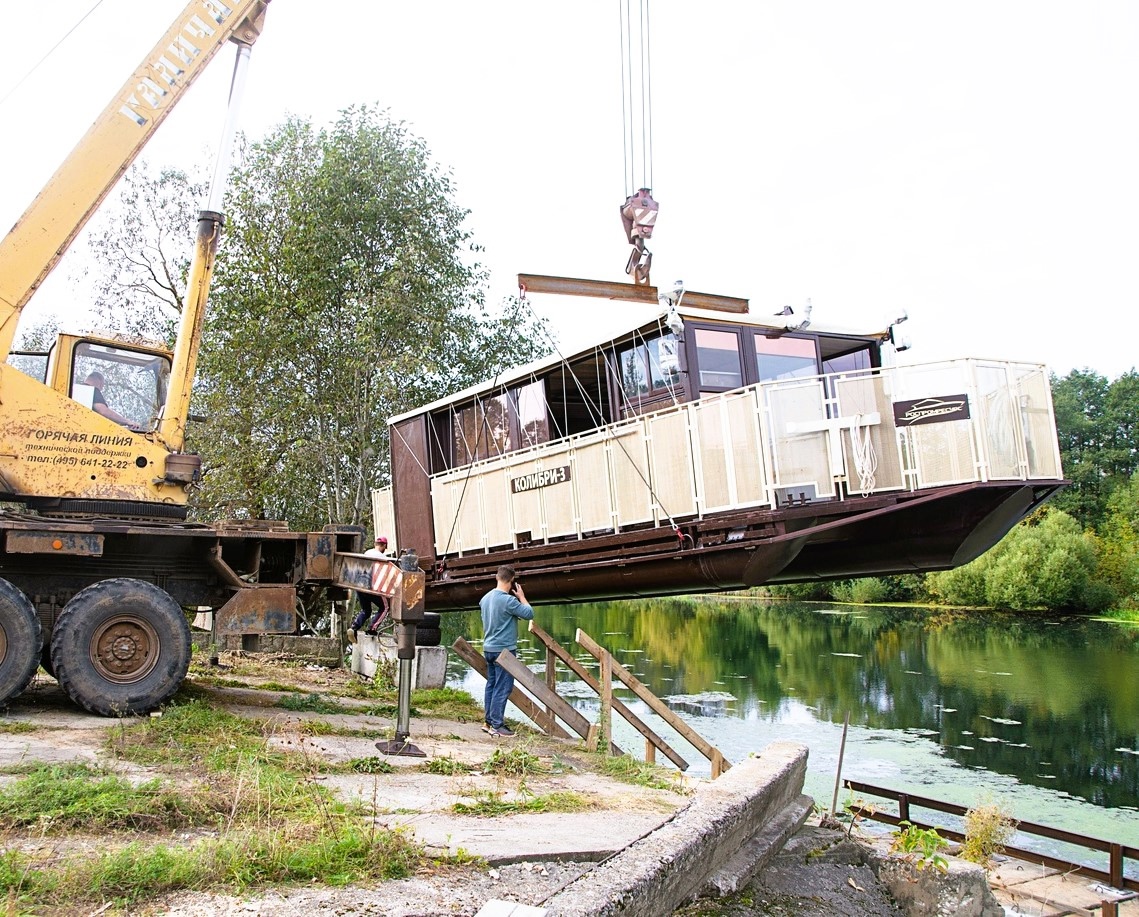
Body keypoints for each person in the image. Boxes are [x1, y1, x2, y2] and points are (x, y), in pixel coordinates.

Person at [479, 564, 533, 737]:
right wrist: (522, 597)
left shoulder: (485, 599)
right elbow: (529, 613)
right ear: (511, 581)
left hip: (488, 648)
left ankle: (488, 722)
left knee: (492, 685)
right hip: (504, 652)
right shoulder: (509, 601)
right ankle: (497, 725)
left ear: (496, 577)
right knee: (503, 687)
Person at [347, 536, 390, 643]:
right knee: (385, 607)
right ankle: (372, 629)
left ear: (375, 544)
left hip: (359, 586)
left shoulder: (367, 553)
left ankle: (354, 627)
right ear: (384, 546)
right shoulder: (382, 557)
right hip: (372, 586)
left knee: (366, 610)